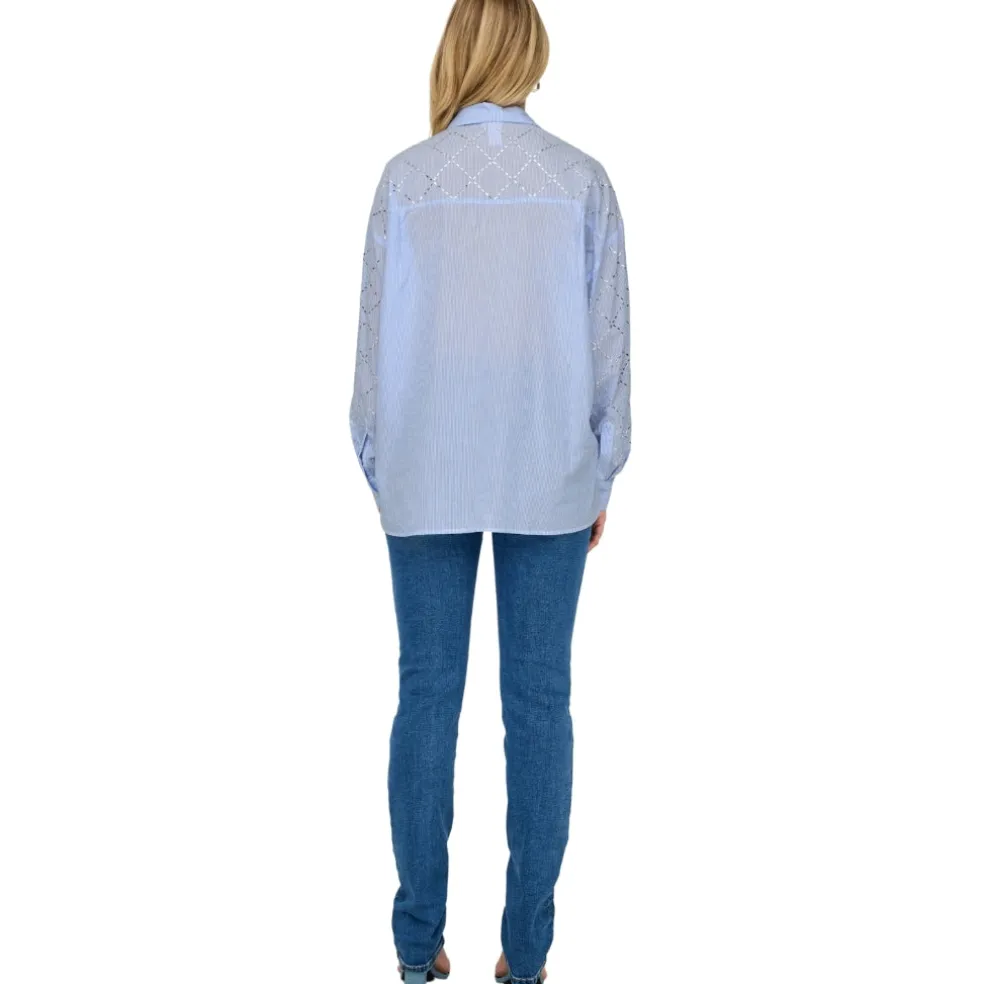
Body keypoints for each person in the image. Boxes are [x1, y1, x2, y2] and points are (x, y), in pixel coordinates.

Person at [348, 1, 631, 981]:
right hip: (550, 471)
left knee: (425, 695)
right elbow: (608, 345)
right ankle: (529, 955)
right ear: (531, 51)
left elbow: (374, 356)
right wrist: (600, 468)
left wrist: (386, 470)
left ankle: (415, 947)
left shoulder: (407, 181)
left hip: (425, 471)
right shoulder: (581, 181)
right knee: (540, 704)